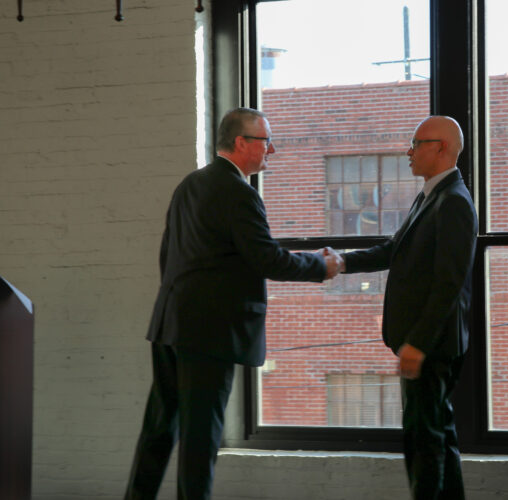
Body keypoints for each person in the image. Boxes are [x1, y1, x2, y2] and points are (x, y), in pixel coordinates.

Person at [124, 107, 343, 500]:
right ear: (241, 142)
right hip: (210, 334)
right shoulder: (239, 193)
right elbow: (267, 259)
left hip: (170, 324)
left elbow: (168, 255)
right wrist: (320, 266)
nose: (271, 150)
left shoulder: (190, 184)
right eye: (266, 141)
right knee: (200, 440)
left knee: (159, 430)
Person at [336, 116, 477, 499]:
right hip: (427, 344)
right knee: (437, 436)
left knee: (424, 445)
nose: (408, 151)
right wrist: (342, 261)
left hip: (431, 346)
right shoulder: (432, 196)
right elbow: (393, 250)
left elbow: (449, 285)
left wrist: (418, 343)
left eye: (416, 143)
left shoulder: (454, 202)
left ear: (441, 147)